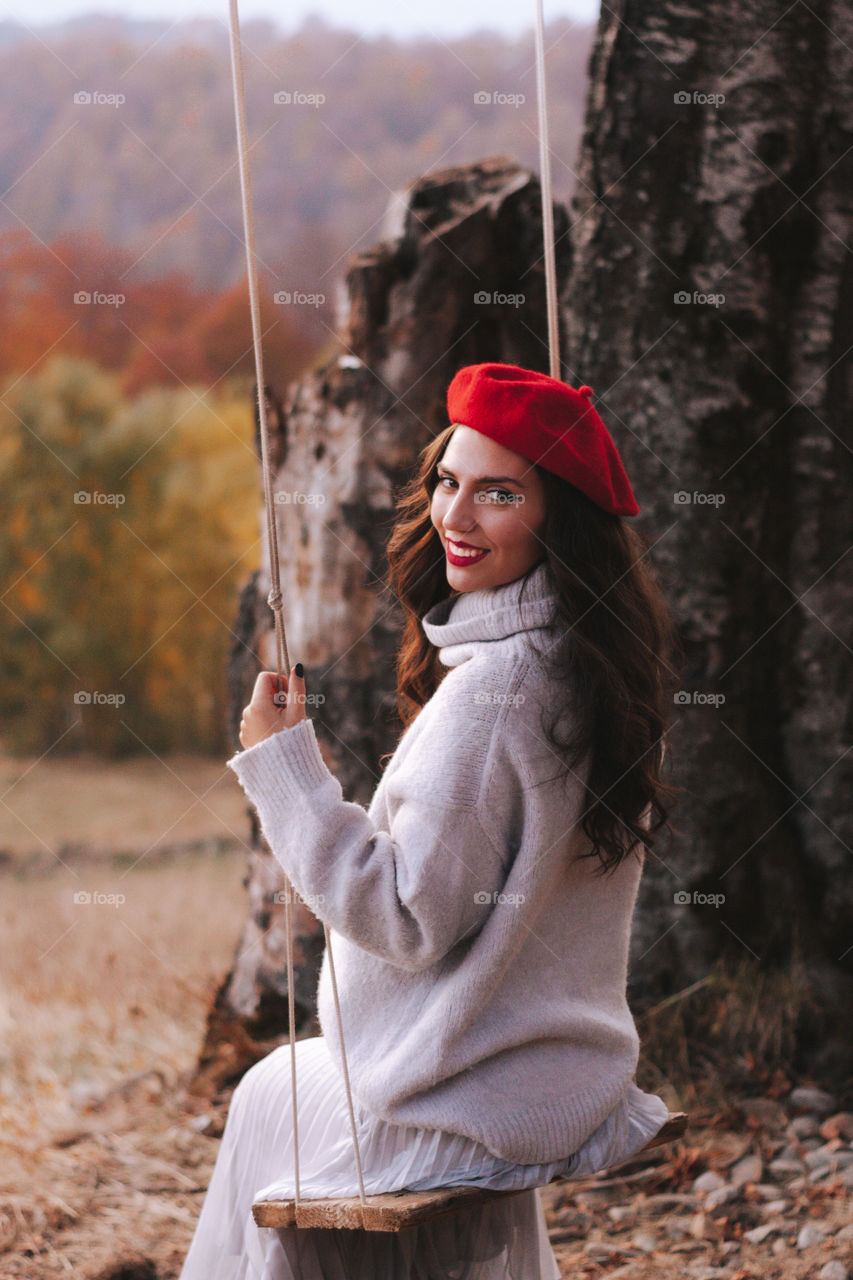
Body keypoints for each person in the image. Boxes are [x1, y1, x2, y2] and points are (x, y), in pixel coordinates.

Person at [178, 362, 680, 1280]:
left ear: (556, 515)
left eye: (498, 493)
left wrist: (288, 772)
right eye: (448, 481)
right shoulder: (582, 659)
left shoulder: (494, 694)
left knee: (265, 1097)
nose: (455, 516)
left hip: (473, 1097)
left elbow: (408, 916)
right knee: (281, 1084)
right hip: (547, 1073)